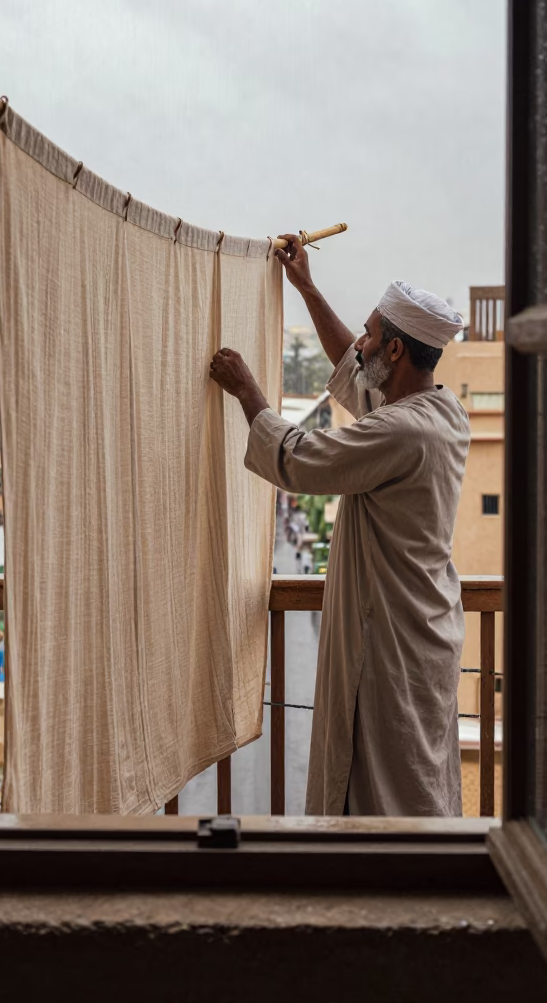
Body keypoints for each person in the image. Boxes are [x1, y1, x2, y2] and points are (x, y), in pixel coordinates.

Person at [209, 235, 468, 817]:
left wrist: (248, 390)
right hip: (420, 628)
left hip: (391, 643)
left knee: (392, 789)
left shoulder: (402, 432)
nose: (361, 342)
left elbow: (300, 459)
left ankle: (393, 893)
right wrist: (305, 287)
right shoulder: (438, 410)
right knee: (407, 774)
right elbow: (354, 371)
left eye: (372, 335)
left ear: (396, 351)